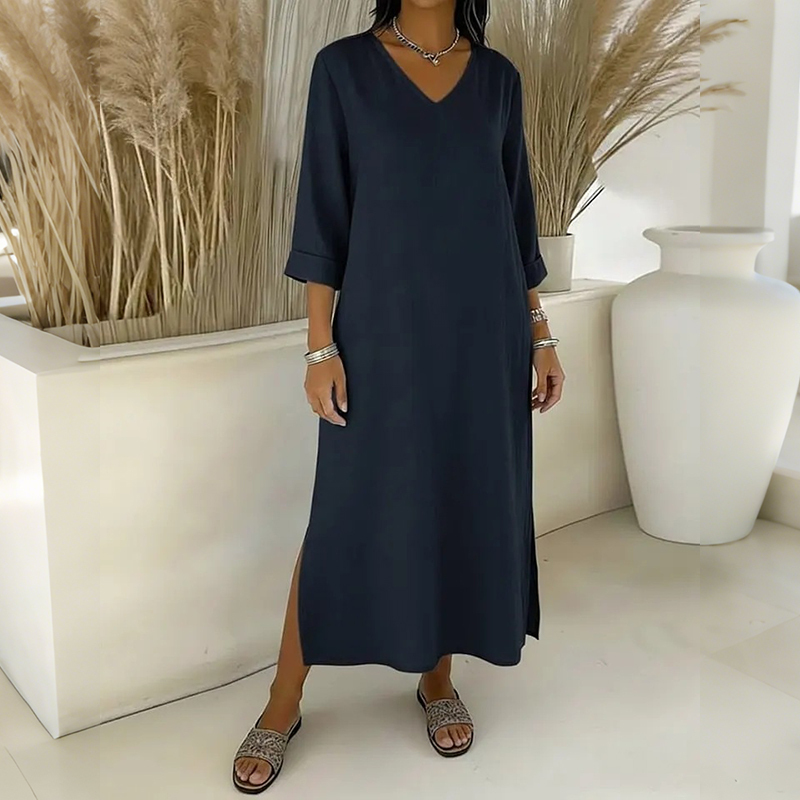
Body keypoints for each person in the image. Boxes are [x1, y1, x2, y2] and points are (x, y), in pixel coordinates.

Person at [232, 0, 565, 792]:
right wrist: (320, 346)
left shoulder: (498, 81)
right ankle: (284, 698)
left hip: (484, 335)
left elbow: (516, 220)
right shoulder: (343, 70)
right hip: (381, 336)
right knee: (345, 510)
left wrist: (541, 332)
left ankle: (436, 675)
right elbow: (323, 214)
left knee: (457, 496)